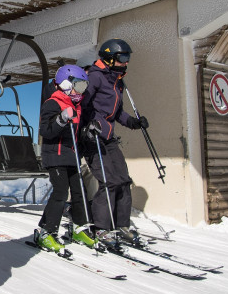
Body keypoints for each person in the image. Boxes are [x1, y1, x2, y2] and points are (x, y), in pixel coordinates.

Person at [80, 38, 149, 244]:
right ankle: (101, 227)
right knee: (108, 181)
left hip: (108, 138)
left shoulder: (116, 81)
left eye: (128, 57)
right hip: (92, 137)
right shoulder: (94, 77)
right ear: (110, 58)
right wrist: (87, 127)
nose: (126, 62)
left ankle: (122, 225)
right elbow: (82, 105)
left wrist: (133, 123)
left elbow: (117, 112)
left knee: (123, 180)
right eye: (123, 57)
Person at [35, 64, 98, 252]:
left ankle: (79, 227)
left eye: (83, 87)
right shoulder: (52, 103)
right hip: (55, 155)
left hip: (71, 155)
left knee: (79, 192)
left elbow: (75, 134)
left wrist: (88, 132)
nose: (81, 91)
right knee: (61, 192)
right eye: (78, 86)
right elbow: (46, 130)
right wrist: (61, 119)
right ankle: (46, 231)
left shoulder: (75, 106)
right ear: (65, 84)